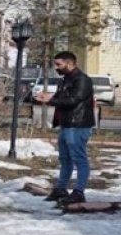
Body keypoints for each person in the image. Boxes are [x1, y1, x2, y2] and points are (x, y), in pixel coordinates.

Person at [33, 52, 94, 205]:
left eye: (59, 64)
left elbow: (73, 100)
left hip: (78, 125)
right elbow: (62, 98)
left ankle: (79, 192)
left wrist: (50, 100)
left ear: (70, 63)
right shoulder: (65, 79)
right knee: (65, 159)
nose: (56, 67)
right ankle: (61, 188)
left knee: (79, 158)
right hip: (66, 124)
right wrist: (47, 97)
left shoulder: (82, 80)